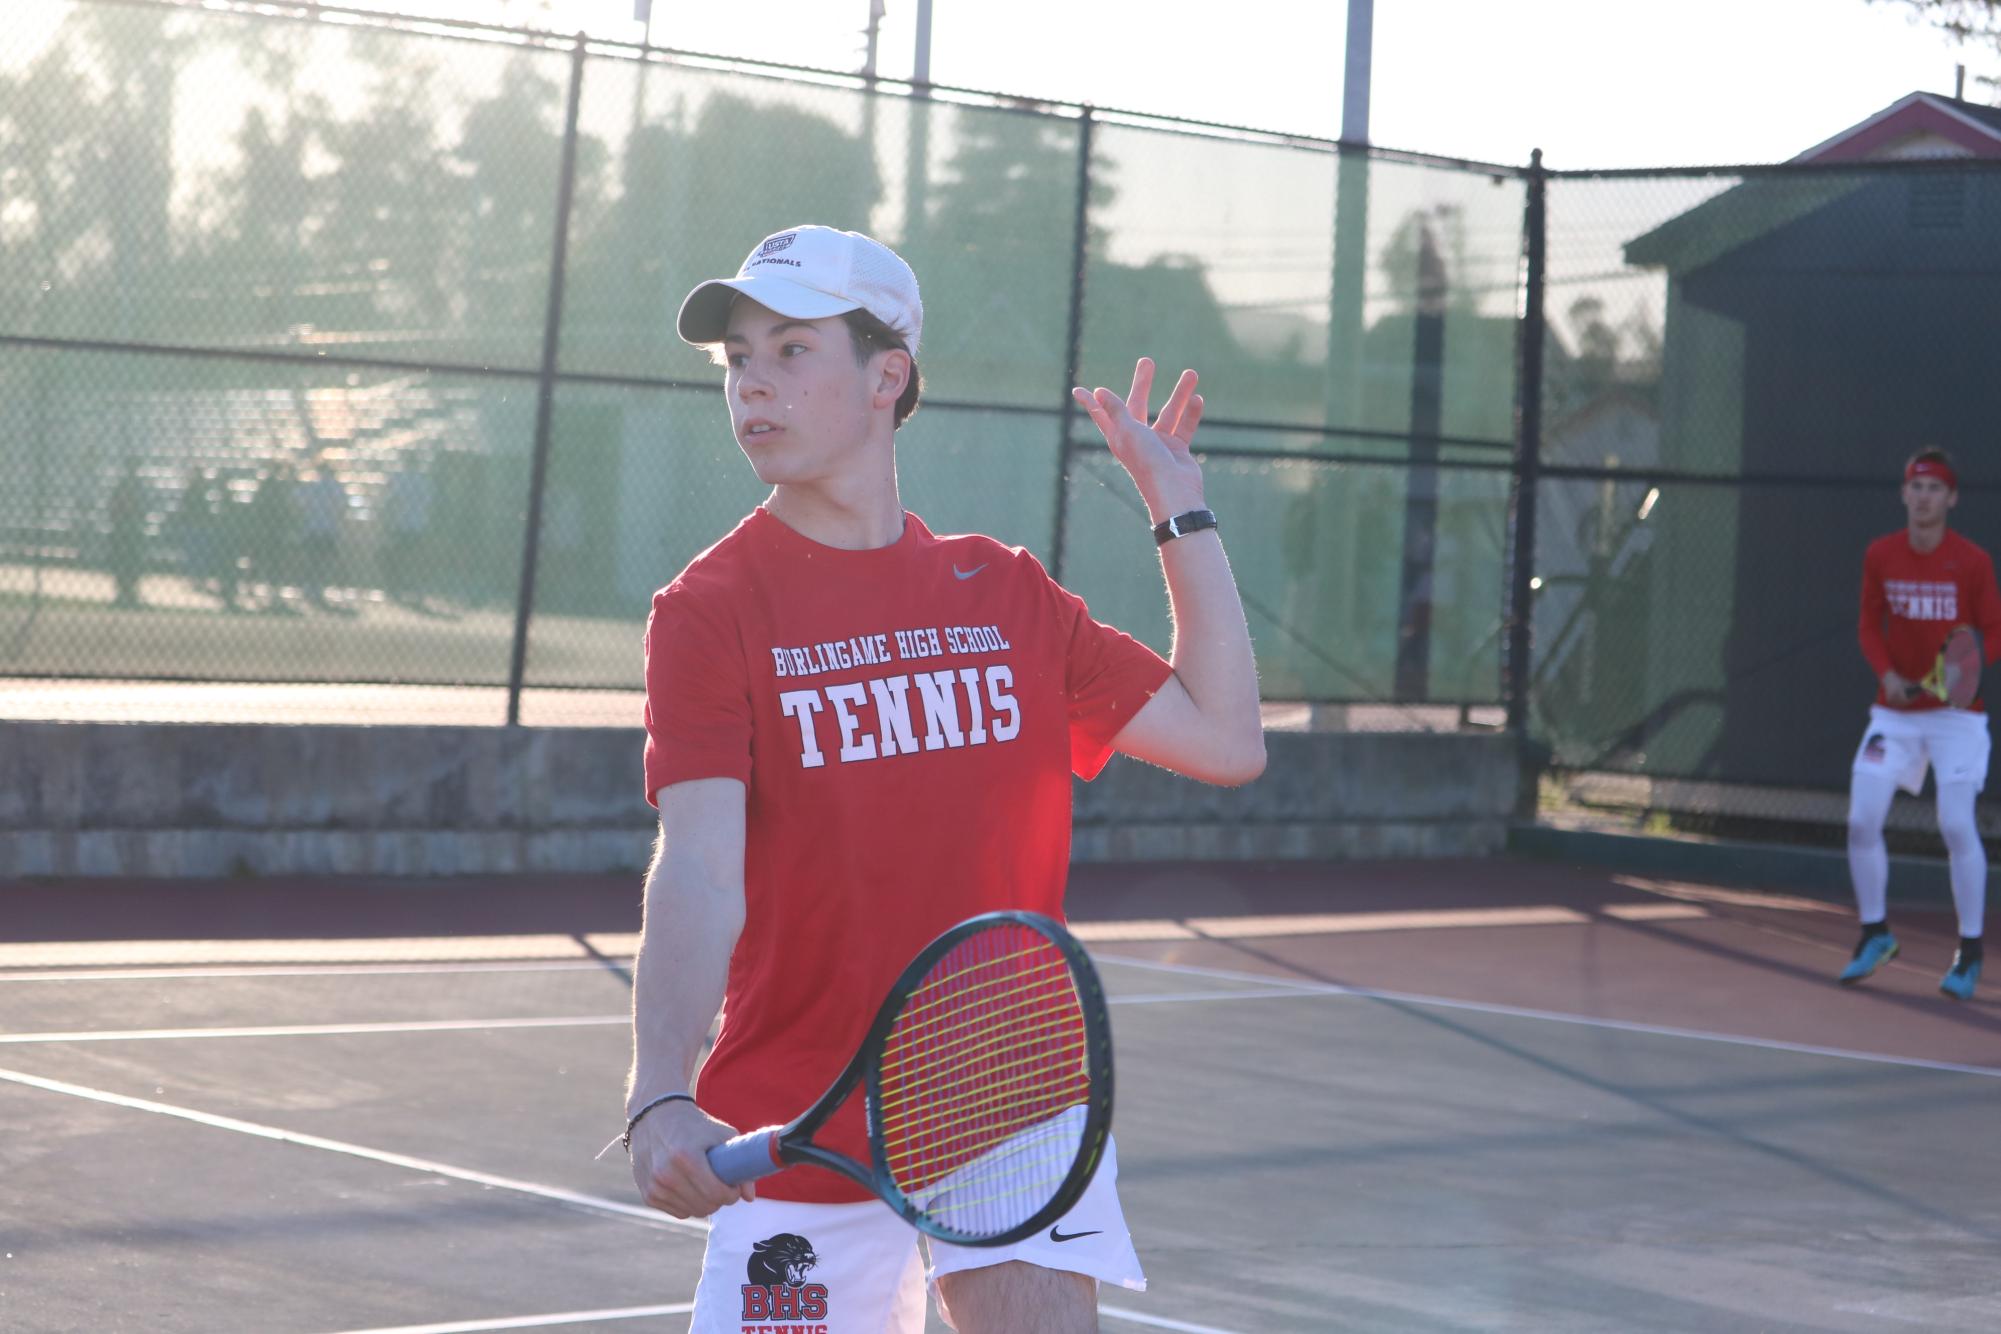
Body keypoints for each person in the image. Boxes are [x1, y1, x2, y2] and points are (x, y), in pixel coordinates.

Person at [623, 225, 1265, 1334]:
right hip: (800, 1116)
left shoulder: (1004, 591)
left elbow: (1227, 738)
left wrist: (1179, 509)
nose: (754, 384)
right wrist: (658, 1090)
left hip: (1010, 1104)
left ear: (887, 375)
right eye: (738, 358)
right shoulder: (709, 610)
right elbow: (697, 868)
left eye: (790, 349)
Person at [1843, 447, 2000, 1001]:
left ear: (1951, 499)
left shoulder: (1974, 562)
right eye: (1917, 487)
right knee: (1862, 821)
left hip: (1958, 719)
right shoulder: (1881, 555)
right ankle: (1875, 933)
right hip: (1896, 716)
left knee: (1956, 824)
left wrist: (1964, 672)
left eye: (1936, 489)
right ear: (1904, 494)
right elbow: (1868, 623)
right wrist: (1885, 674)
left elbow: (1994, 632)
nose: (1925, 497)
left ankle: (1971, 949)